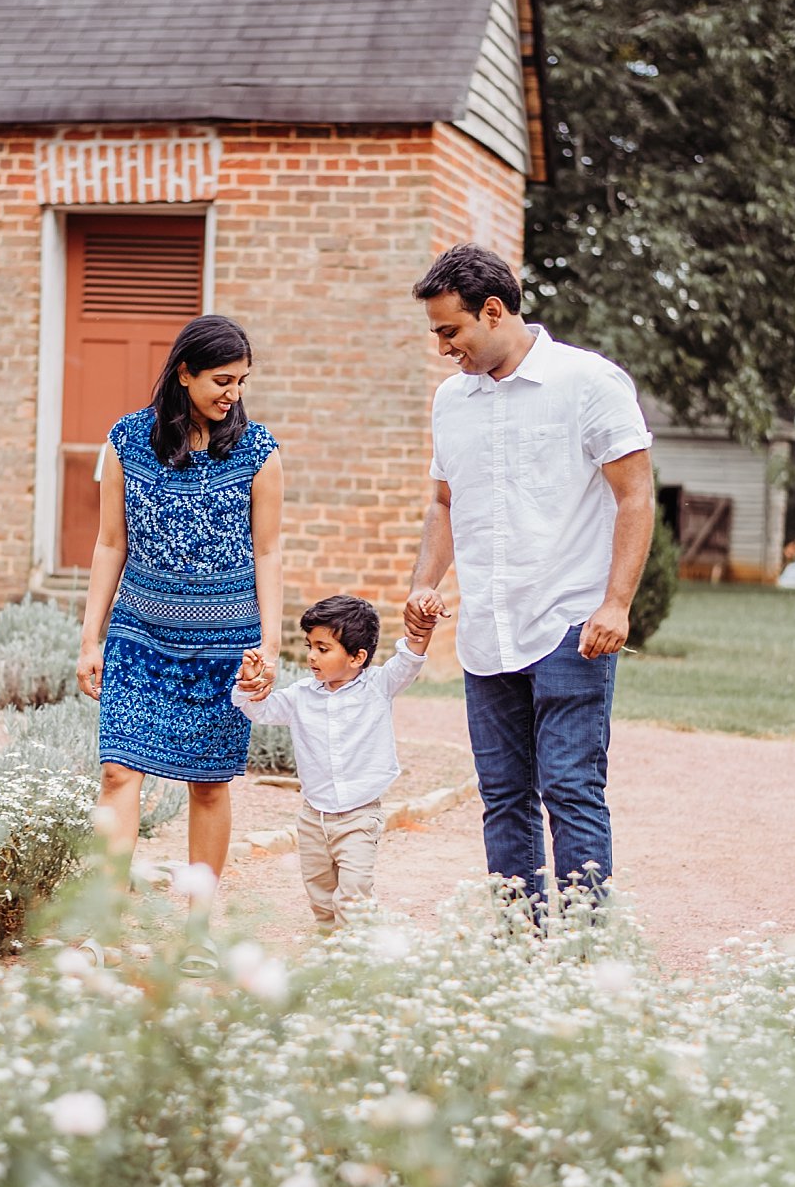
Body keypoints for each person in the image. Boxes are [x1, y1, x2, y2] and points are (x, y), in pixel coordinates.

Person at [402, 244, 654, 909]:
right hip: (488, 630)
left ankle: (582, 953)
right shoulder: (450, 402)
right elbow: (444, 502)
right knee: (503, 795)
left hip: (571, 623)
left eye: (449, 331)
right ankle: (517, 944)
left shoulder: (588, 383)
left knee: (571, 786)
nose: (441, 348)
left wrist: (617, 603)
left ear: (493, 310)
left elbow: (635, 495)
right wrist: (423, 585)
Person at [77, 315, 284, 908]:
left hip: (225, 647)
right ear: (184, 372)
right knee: (118, 774)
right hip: (139, 638)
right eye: (222, 380)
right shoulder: (126, 441)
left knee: (210, 785)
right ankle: (104, 925)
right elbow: (109, 543)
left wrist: (270, 646)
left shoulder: (259, 452)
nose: (233, 394)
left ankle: (198, 927)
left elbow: (268, 552)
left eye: (242, 381)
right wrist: (89, 639)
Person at [230, 595, 431, 929]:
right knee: (321, 898)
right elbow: (260, 711)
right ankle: (330, 957)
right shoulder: (300, 696)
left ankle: (358, 958)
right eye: (310, 646)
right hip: (313, 819)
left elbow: (409, 659)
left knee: (353, 896)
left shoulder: (379, 686)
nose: (311, 656)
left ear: (357, 657)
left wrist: (424, 626)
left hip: (359, 816)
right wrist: (249, 683)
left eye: (323, 649)